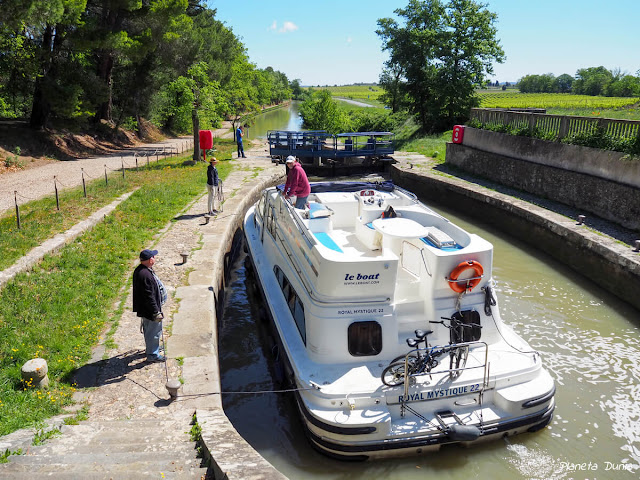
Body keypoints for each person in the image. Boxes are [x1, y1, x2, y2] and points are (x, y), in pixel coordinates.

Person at [132, 249, 168, 363]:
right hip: (150, 310)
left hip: (146, 309)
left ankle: (152, 348)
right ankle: (153, 354)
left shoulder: (142, 270)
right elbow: (149, 296)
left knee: (149, 330)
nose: (155, 258)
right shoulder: (145, 274)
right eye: (154, 257)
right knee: (154, 332)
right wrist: (156, 311)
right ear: (151, 259)